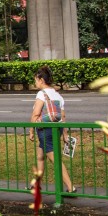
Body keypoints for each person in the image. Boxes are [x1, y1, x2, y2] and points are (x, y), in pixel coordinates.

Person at [27, 66, 75, 194]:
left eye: (36, 80)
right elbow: (62, 117)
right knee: (40, 156)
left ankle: (71, 187)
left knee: (55, 160)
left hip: (45, 131)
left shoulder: (41, 94)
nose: (35, 83)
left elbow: (35, 114)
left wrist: (31, 130)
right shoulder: (57, 95)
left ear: (41, 80)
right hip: (56, 129)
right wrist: (65, 134)